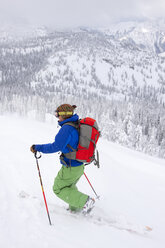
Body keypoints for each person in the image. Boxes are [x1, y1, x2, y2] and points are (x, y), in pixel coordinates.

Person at [30, 104, 95, 213]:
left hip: (70, 167)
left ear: (64, 115)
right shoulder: (75, 124)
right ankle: (75, 209)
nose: (56, 116)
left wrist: (38, 147)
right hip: (78, 166)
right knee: (69, 186)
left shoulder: (67, 129)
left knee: (58, 188)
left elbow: (55, 146)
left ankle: (85, 202)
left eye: (57, 114)